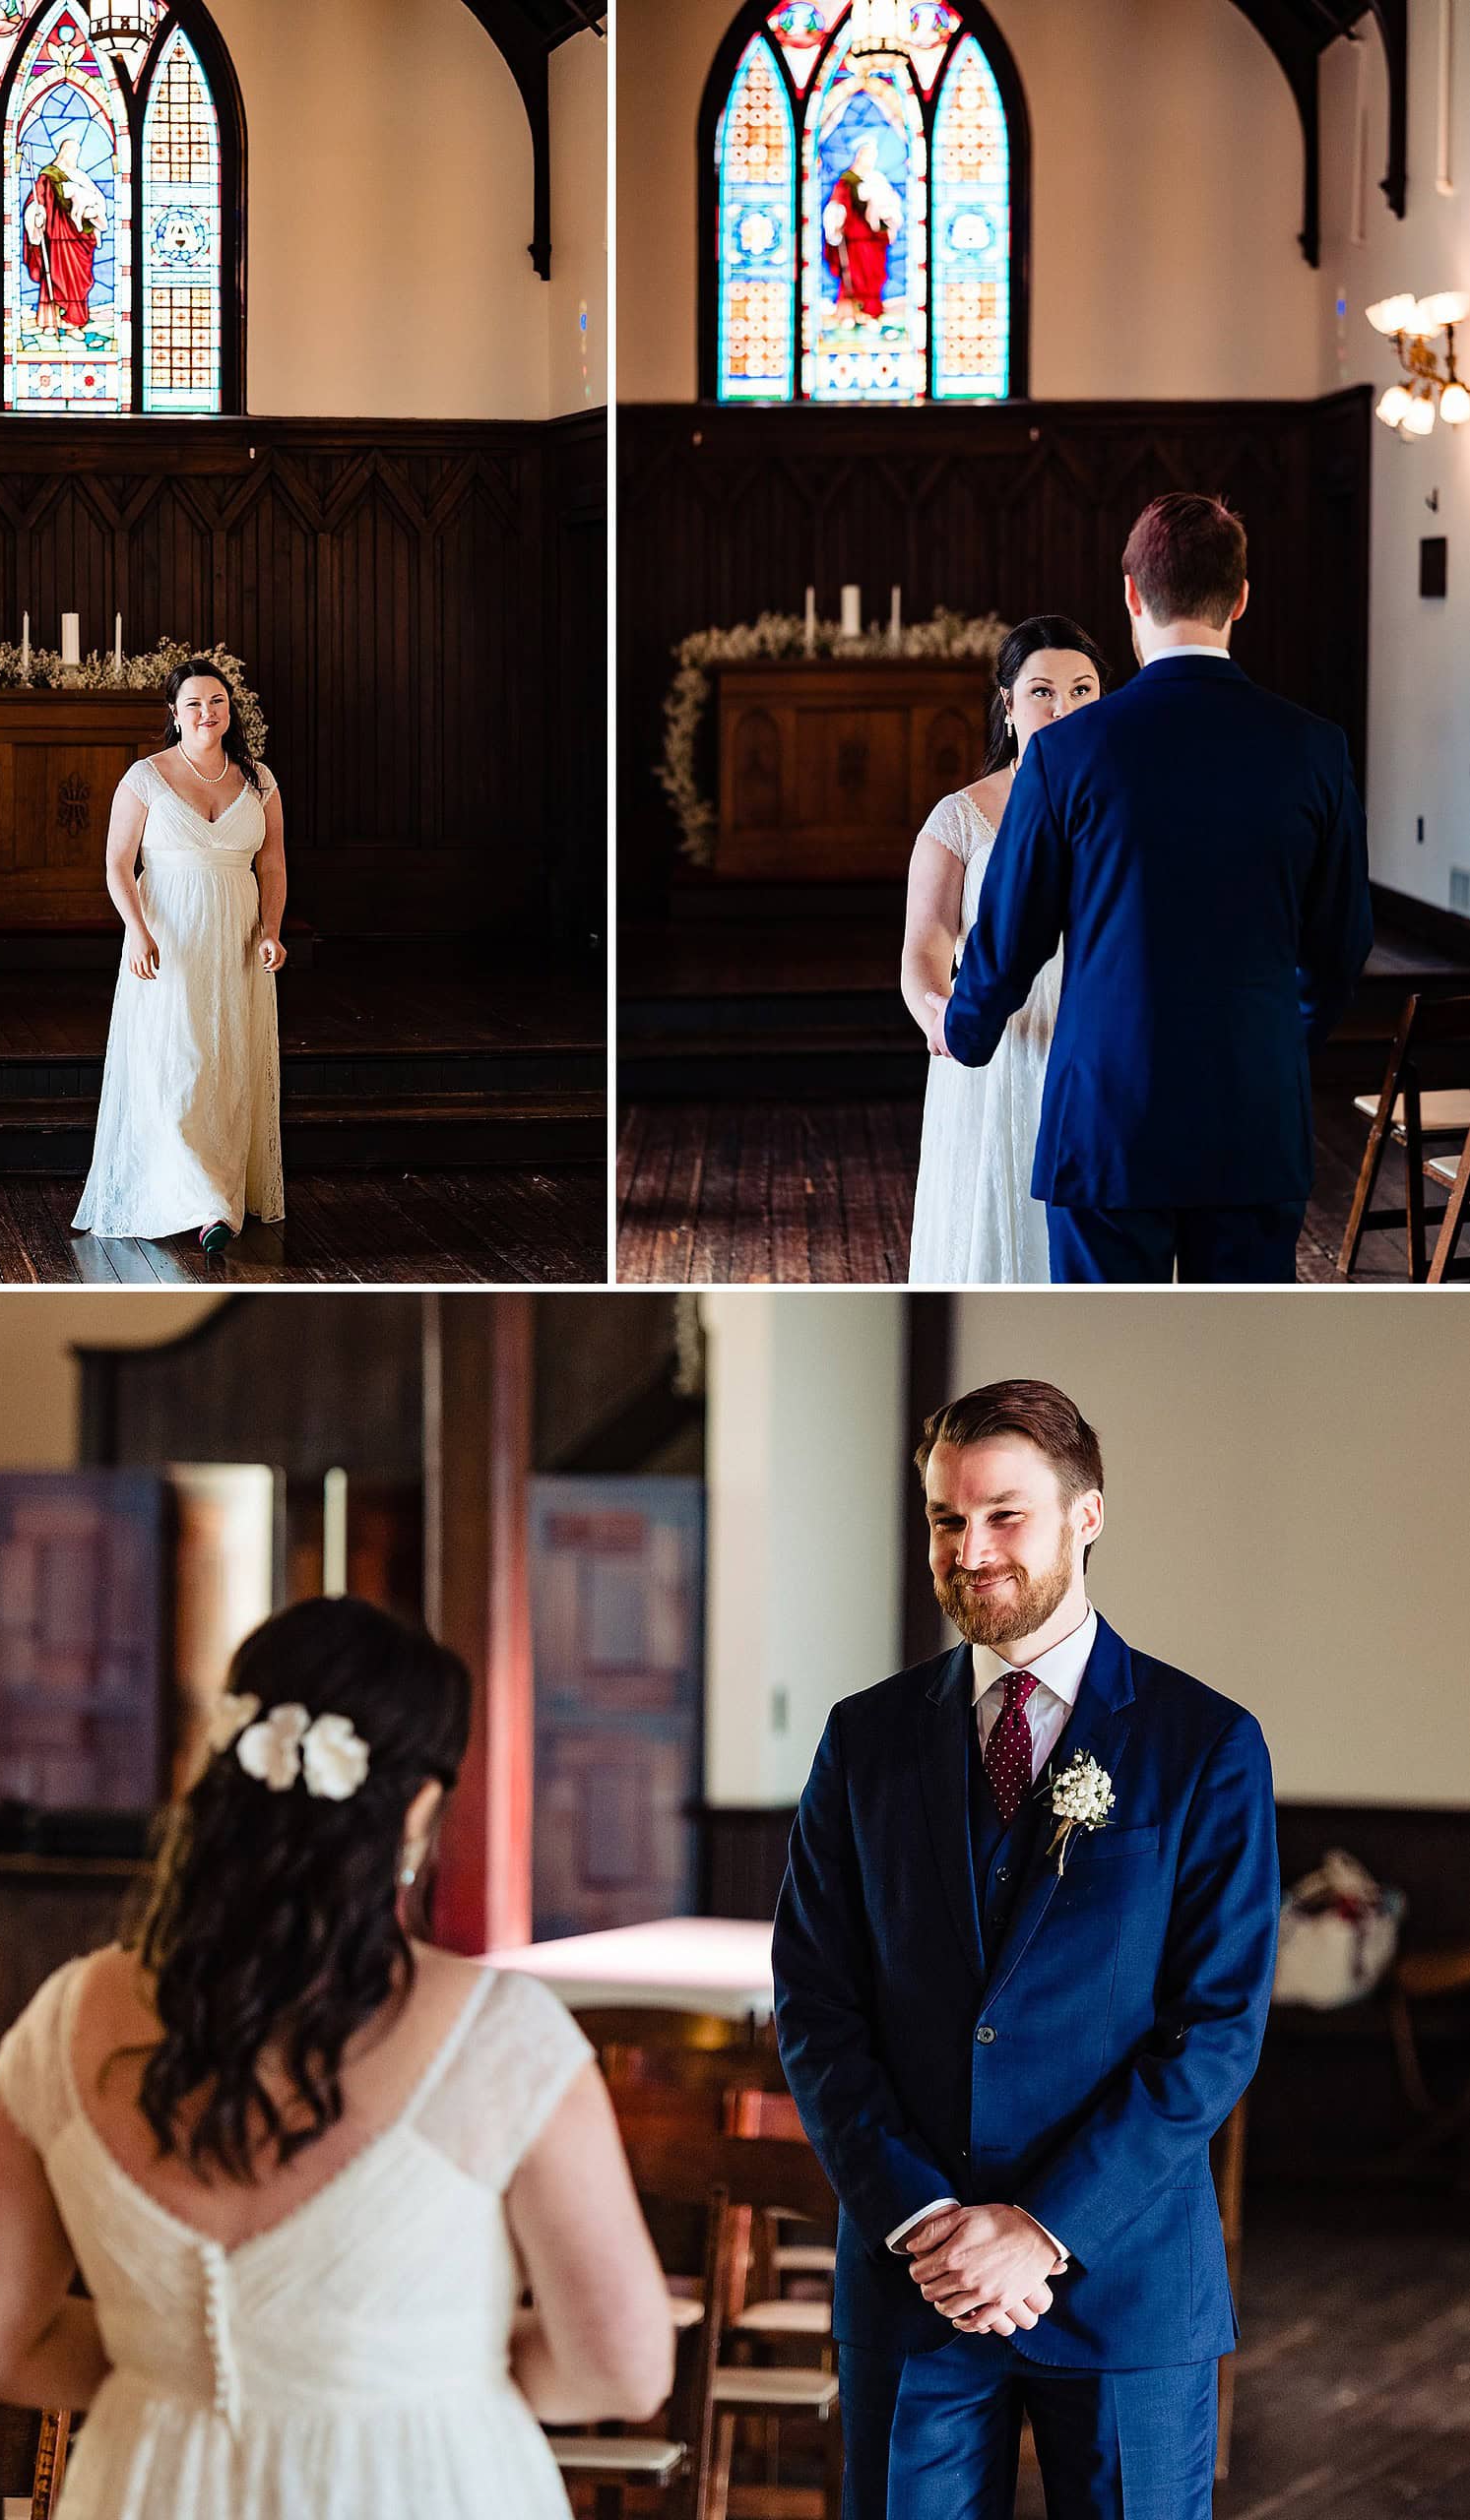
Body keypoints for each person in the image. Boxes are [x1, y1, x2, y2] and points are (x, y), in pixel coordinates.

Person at [0, 1596, 674, 2520]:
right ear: (418, 1807)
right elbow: (623, 2370)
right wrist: (415, 2359)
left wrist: (168, 2363)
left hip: (149, 2486)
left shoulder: (64, 2017)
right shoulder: (502, 2038)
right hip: (418, 2484)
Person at [773, 1378, 1280, 2520]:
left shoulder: (1203, 1745)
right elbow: (812, 2002)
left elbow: (1215, 2027)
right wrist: (921, 2222)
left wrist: (1043, 2228)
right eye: (947, 1521)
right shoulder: (866, 1738)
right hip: (918, 2277)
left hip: (1123, 2278)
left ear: (1084, 1517)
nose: (970, 1549)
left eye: (1004, 1514)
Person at [938, 492, 1374, 1284]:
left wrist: (963, 1032)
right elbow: (1341, 944)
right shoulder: (1314, 749)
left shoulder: (1068, 754)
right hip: (1252, 1117)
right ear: (1240, 597)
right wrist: (1275, 1041)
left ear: (1132, 595)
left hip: (1106, 1120)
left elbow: (1010, 936)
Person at [904, 619, 1110, 1283]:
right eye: (1042, 691)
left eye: (1082, 691)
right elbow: (925, 945)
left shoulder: (1124, 804)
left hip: (1098, 1033)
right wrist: (937, 1014)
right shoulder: (961, 816)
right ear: (1008, 702)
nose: (1063, 708)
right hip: (1001, 1037)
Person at [73, 660, 287, 1255]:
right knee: (179, 1066)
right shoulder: (145, 777)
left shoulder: (260, 780)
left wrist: (270, 929)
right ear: (174, 712)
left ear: (229, 708)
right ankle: (197, 1198)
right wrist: (137, 930)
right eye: (193, 703)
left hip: (236, 936)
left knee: (225, 1063)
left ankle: (216, 1196)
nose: (206, 713)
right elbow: (118, 863)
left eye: (216, 701)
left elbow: (271, 865)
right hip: (170, 937)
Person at [24, 135, 106, 339]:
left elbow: (97, 200)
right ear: (64, 153)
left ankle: (73, 324)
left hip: (78, 239)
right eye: (72, 153)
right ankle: (49, 321)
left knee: (78, 280)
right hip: (55, 238)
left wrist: (94, 211)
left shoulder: (80, 177)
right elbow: (36, 201)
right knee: (52, 275)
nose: (74, 157)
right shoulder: (48, 176)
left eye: (77, 153)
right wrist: (36, 215)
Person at [822, 138, 901, 326]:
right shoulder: (847, 180)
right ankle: (851, 313)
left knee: (873, 276)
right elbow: (838, 204)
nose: (868, 160)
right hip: (853, 240)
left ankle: (870, 312)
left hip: (874, 240)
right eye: (865, 156)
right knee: (853, 276)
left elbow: (888, 207)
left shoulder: (877, 180)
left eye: (872, 157)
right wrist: (836, 220)